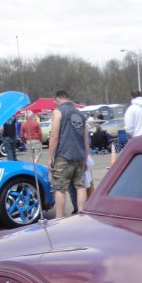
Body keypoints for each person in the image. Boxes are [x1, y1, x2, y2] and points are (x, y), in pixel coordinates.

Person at [47, 90, 89, 219]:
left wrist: (50, 158)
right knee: (80, 186)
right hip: (79, 156)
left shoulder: (58, 112)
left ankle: (59, 217)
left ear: (57, 100)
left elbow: (54, 136)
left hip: (64, 155)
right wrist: (85, 158)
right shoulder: (80, 114)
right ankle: (82, 214)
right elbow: (86, 139)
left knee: (60, 188)